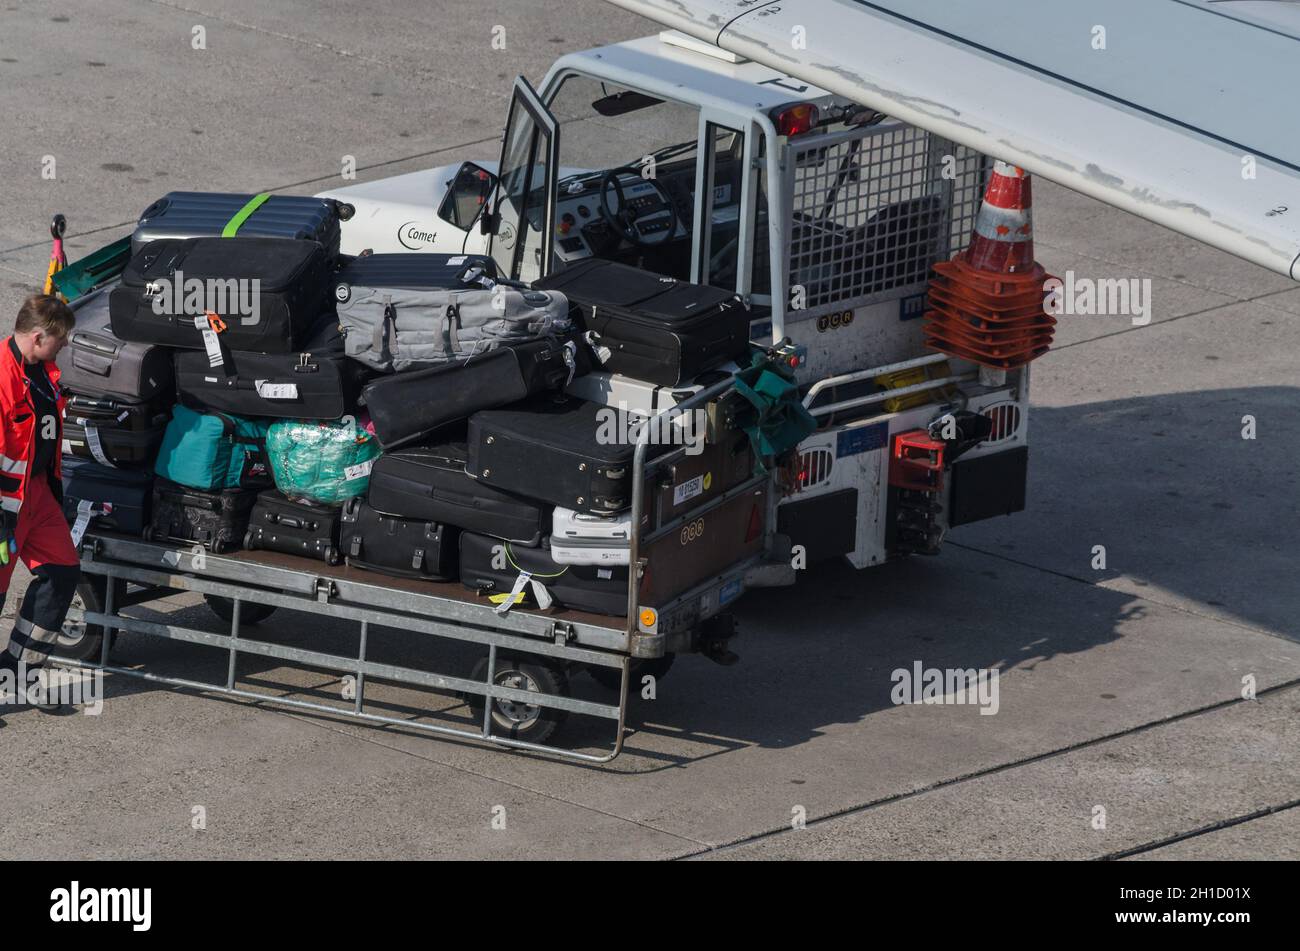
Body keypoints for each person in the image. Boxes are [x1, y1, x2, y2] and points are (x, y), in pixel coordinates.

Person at [0, 294, 80, 707]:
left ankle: (17, 672)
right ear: (37, 336)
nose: (64, 347)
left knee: (63, 574)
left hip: (38, 496)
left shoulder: (43, 373)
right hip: (4, 504)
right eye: (60, 341)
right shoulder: (1, 377)